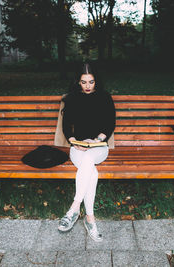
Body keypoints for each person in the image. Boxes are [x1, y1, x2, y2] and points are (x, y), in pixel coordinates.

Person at [58, 63, 116, 242]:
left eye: (91, 81)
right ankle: (90, 219)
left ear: (96, 81)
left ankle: (74, 208)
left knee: (90, 158)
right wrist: (74, 141)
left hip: (99, 147)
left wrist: (98, 139)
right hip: (77, 148)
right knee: (90, 170)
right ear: (78, 82)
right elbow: (66, 126)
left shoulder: (105, 97)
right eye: (84, 82)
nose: (88, 85)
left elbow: (110, 123)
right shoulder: (71, 99)